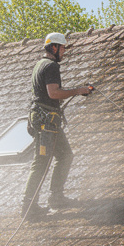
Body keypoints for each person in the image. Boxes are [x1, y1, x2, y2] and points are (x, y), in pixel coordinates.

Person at [21, 32, 93, 219]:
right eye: (63, 48)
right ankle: (28, 207)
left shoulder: (39, 65)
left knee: (65, 155)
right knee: (41, 162)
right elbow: (53, 93)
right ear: (54, 47)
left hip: (48, 121)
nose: (64, 52)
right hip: (46, 123)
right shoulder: (51, 66)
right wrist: (78, 90)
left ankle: (56, 197)